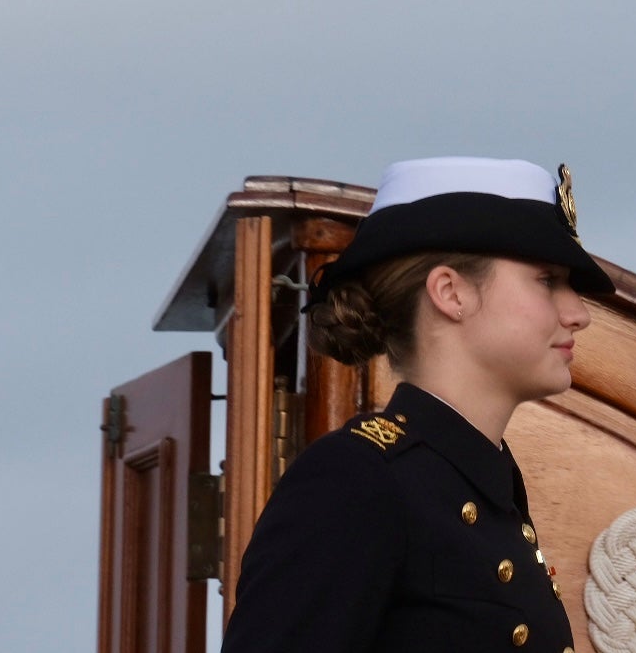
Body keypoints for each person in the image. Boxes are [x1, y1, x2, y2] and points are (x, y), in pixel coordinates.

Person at [221, 156, 614, 653]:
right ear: (451, 293)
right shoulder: (357, 481)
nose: (578, 313)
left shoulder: (485, 487)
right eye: (547, 279)